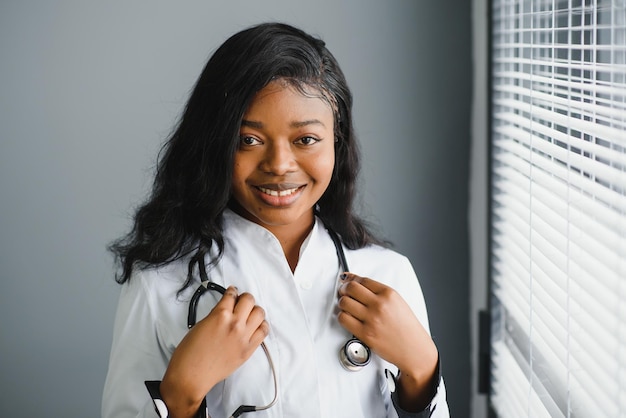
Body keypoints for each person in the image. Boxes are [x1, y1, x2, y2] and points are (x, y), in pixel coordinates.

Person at [102, 22, 449, 418]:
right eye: (248, 140)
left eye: (305, 140)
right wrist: (181, 393)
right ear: (214, 144)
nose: (279, 165)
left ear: (336, 142)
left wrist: (422, 368)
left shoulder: (389, 275)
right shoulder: (158, 284)